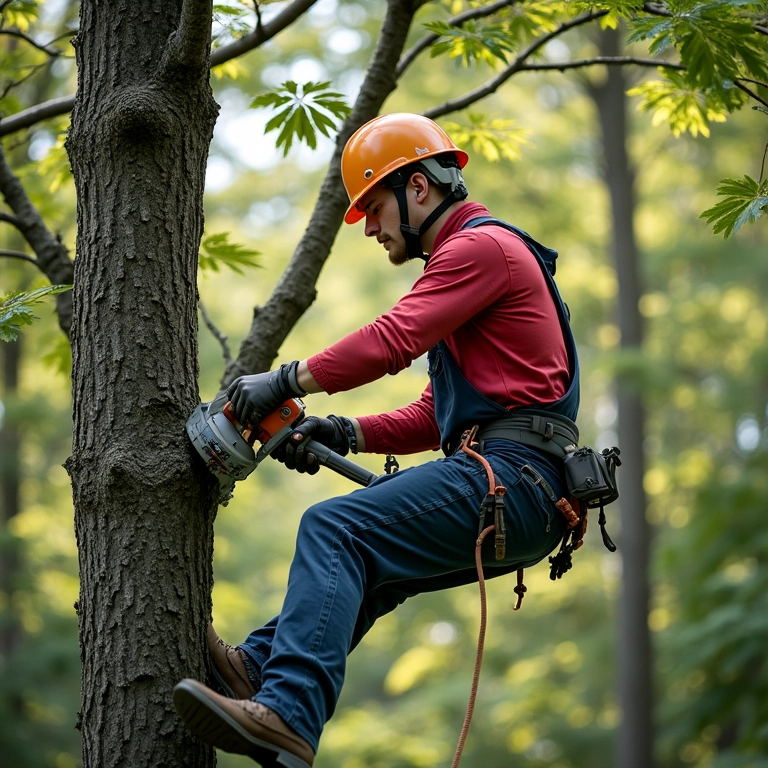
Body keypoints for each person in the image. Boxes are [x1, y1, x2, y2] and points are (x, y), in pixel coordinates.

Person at [173, 113, 580, 768]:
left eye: (373, 207)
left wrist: (285, 379)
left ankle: (287, 712)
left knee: (335, 531)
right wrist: (344, 431)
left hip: (515, 477)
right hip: (524, 488)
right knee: (368, 569)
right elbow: (434, 415)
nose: (368, 227)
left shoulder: (479, 250)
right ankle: (261, 667)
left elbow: (392, 341)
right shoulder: (472, 268)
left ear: (419, 187)